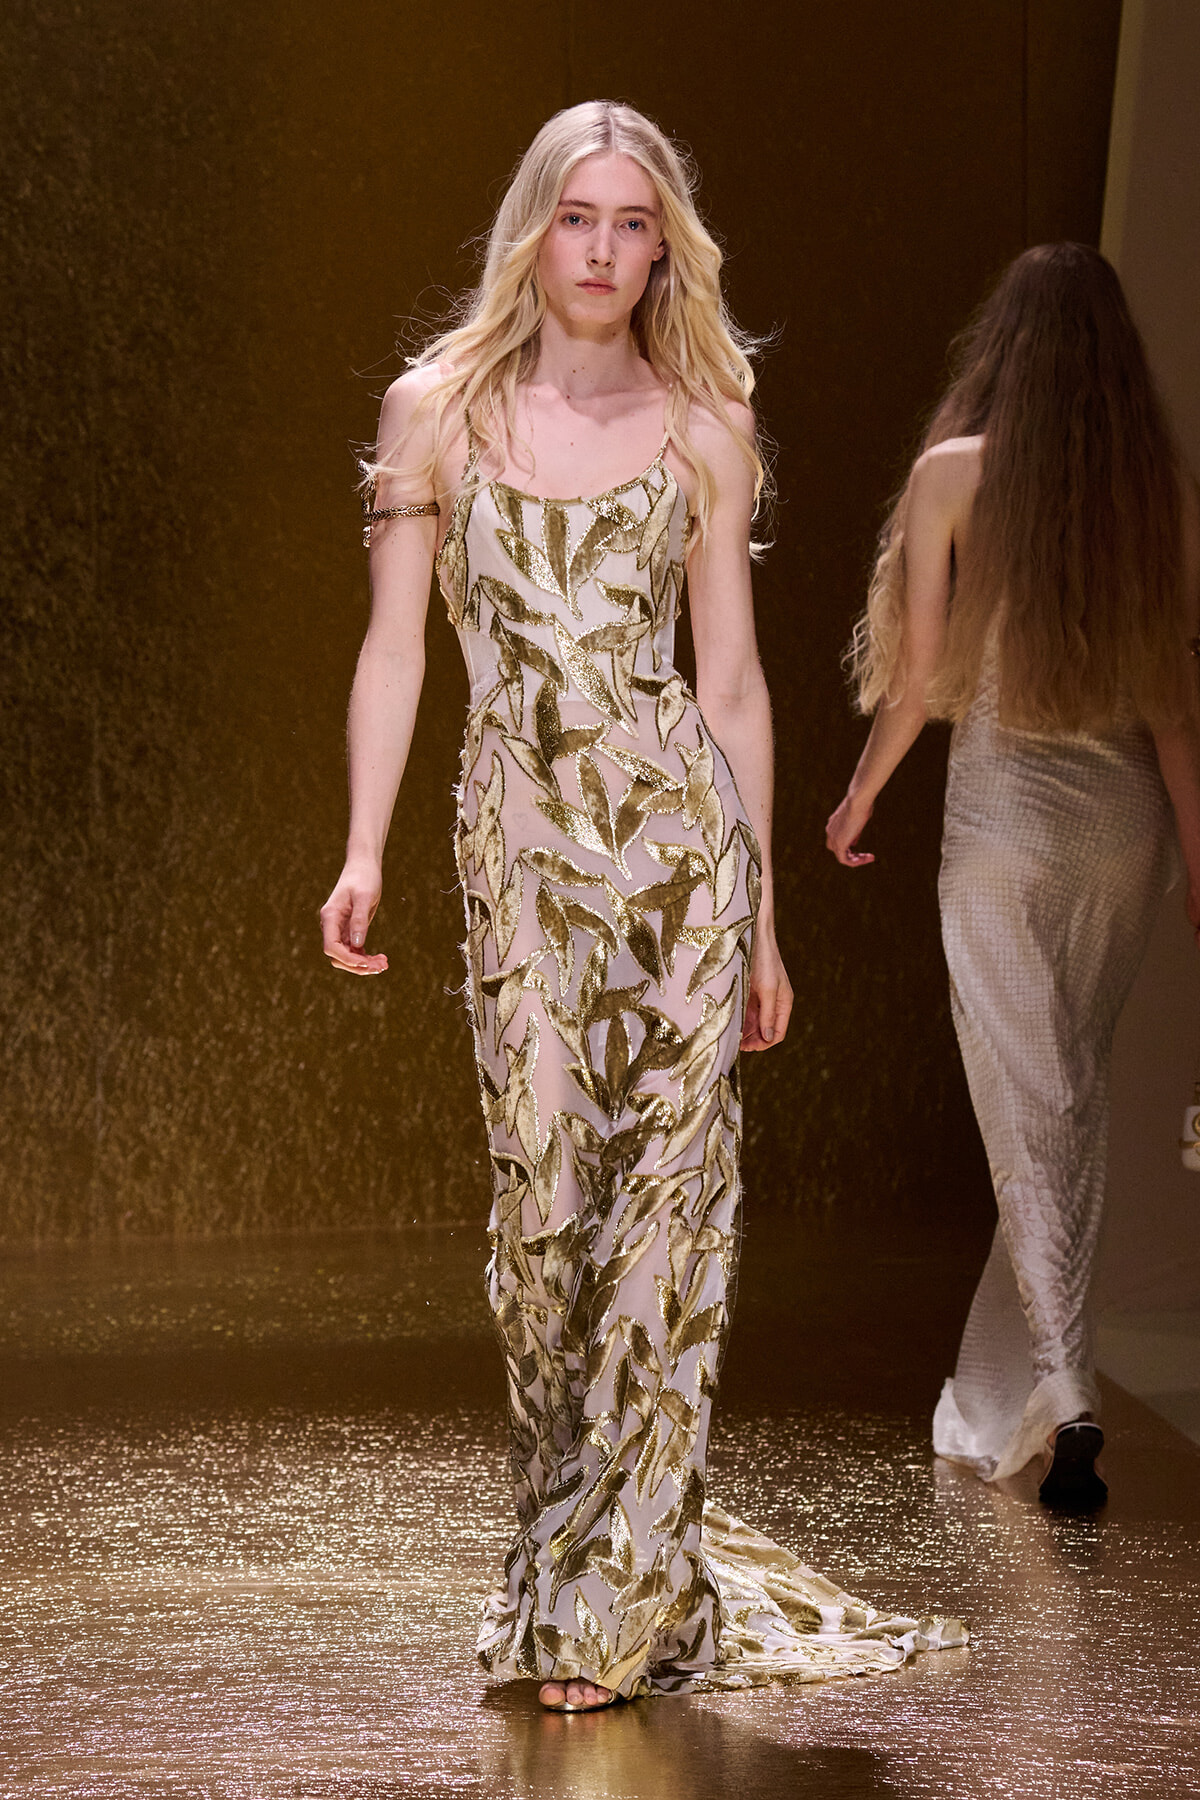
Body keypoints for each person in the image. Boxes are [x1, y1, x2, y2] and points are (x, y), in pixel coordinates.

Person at [321, 101, 963, 1706]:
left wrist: (758, 920)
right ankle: (584, 1550)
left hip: (678, 864)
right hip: (518, 869)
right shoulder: (435, 415)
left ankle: (600, 1611)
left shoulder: (704, 424)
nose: (603, 251)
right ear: (530, 229)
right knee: (546, 1228)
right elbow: (399, 648)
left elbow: (731, 681)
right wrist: (362, 848)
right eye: (578, 218)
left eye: (633, 223)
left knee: (663, 1230)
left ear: (663, 243)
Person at [827, 243, 1200, 1508]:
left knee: (1025, 1099)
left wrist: (863, 789)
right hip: (1121, 833)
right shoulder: (1161, 497)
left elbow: (926, 681)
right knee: (1066, 1097)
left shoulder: (952, 479)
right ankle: (1032, 1385)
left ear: (1007, 351)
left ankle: (1066, 1384)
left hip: (997, 825)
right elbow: (1178, 715)